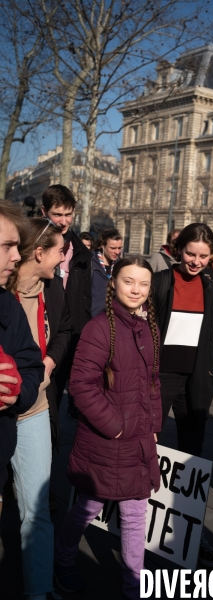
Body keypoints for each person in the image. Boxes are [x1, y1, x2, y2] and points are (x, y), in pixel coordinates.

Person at [54, 257, 161, 599]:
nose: (136, 290)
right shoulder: (99, 327)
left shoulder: (148, 327)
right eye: (129, 281)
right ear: (114, 282)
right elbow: (81, 385)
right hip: (107, 441)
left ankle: (133, 585)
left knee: (134, 513)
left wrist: (153, 426)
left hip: (139, 440)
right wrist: (116, 426)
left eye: (143, 284)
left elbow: (152, 383)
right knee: (89, 506)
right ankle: (62, 558)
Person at [6, 218, 72, 600]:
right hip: (4, 414)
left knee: (37, 510)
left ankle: (41, 590)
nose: (64, 257)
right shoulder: (3, 292)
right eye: (60, 250)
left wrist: (48, 364)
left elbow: (64, 330)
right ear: (39, 253)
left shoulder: (54, 288)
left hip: (36, 410)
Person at [152, 223, 213, 567]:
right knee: (147, 446)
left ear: (212, 257)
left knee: (193, 456)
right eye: (191, 254)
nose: (196, 261)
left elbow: (207, 335)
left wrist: (206, 373)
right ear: (179, 250)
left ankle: (191, 532)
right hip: (159, 377)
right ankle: (139, 522)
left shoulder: (209, 286)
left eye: (203, 256)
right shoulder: (161, 281)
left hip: (193, 382)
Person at [0, 201, 44, 515]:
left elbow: (30, 363)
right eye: (8, 246)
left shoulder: (7, 304)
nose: (17, 256)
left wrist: (18, 394)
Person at [41, 185, 92, 416]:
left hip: (73, 334)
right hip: (43, 330)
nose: (63, 221)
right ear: (44, 212)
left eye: (68, 214)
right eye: (57, 214)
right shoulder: (31, 244)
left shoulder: (81, 252)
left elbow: (88, 298)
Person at [91, 228, 122, 317]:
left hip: (113, 319)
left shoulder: (120, 265)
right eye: (113, 248)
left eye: (119, 248)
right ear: (102, 245)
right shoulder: (89, 263)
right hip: (92, 318)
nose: (117, 252)